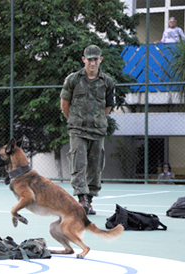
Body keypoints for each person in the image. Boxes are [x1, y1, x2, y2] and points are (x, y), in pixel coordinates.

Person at [60, 45, 115, 215]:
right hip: (78, 130)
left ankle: (89, 201)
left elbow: (108, 107)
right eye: (89, 59)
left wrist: (97, 119)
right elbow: (64, 104)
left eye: (95, 59)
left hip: (97, 131)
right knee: (79, 163)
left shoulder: (107, 82)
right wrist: (75, 120)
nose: (92, 62)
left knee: (95, 166)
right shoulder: (73, 79)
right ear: (84, 60)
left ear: (100, 60)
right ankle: (82, 199)